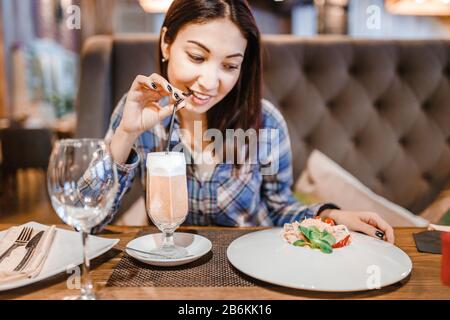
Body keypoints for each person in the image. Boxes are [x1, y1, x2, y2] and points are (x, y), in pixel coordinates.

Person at [88, 0, 394, 243]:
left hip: (252, 267)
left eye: (230, 65)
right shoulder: (137, 114)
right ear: (167, 43)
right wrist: (126, 133)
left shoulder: (266, 122)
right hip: (171, 268)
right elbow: (90, 219)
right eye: (196, 57)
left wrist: (331, 216)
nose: (210, 81)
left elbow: (279, 207)